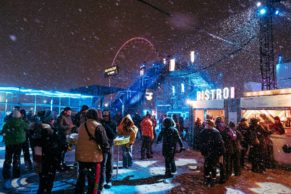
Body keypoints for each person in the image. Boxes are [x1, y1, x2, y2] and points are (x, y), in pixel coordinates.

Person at [75, 109, 110, 194]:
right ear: (96, 116)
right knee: (94, 182)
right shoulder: (98, 126)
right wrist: (105, 151)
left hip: (81, 158)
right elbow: (105, 143)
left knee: (81, 179)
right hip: (93, 159)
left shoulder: (81, 126)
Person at [36, 110, 62, 194]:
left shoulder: (37, 129)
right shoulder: (50, 131)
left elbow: (36, 147)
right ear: (50, 120)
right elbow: (56, 146)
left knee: (42, 181)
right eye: (52, 119)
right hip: (49, 159)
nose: (54, 120)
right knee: (48, 181)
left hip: (39, 158)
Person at [1, 110, 28, 180]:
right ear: (20, 116)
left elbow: (2, 132)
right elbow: (28, 127)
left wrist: (6, 133)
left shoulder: (8, 123)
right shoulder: (22, 123)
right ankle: (16, 174)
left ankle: (6, 174)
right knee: (17, 158)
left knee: (8, 158)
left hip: (9, 143)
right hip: (19, 143)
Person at [199, 119, 225, 187]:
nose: (206, 125)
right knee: (211, 166)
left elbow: (200, 142)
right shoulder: (214, 132)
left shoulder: (206, 131)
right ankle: (210, 179)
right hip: (212, 152)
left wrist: (203, 150)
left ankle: (209, 179)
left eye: (207, 124)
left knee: (209, 165)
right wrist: (221, 153)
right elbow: (220, 143)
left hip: (210, 152)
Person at [100, 110, 116, 189]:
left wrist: (106, 126)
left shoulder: (112, 123)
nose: (105, 117)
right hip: (101, 146)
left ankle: (109, 180)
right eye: (104, 116)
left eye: (107, 116)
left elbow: (113, 135)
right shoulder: (100, 123)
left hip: (109, 145)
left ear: (109, 116)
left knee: (109, 164)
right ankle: (102, 181)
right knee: (102, 164)